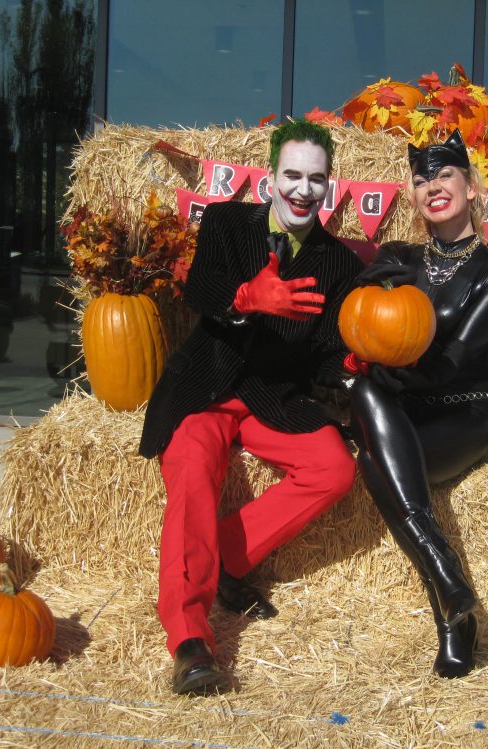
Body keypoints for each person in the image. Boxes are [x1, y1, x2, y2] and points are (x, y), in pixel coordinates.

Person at [138, 120, 363, 695]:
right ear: (270, 178)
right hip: (208, 386)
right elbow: (201, 288)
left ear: (328, 186)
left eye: (316, 179)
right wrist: (243, 298)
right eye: (292, 175)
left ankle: (225, 561)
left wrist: (350, 364)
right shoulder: (225, 223)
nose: (303, 190)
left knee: (334, 468)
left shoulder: (338, 264)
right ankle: (190, 641)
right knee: (190, 472)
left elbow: (326, 351)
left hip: (271, 397)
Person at [346, 130, 488, 678]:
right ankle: (451, 592)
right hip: (398, 409)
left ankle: (451, 606)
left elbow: (454, 359)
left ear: (471, 187)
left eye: (445, 175)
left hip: (458, 410)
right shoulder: (396, 256)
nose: (433, 186)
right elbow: (358, 325)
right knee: (368, 398)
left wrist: (389, 376)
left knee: (373, 452)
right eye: (422, 179)